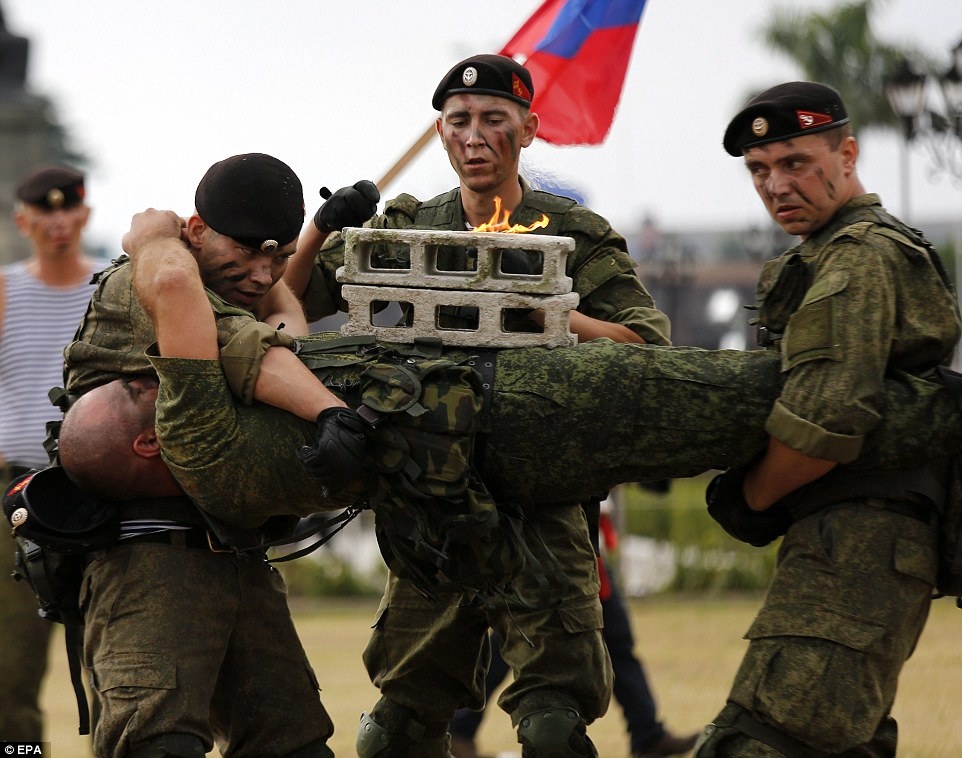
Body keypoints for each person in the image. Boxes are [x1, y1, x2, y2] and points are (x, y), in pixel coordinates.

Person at [285, 52, 673, 758]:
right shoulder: (405, 228)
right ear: (440, 134)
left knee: (553, 728)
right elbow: (285, 305)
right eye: (459, 121)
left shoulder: (573, 235)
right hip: (430, 501)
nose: (475, 136)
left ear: (528, 129)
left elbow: (646, 346)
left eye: (495, 120)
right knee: (394, 729)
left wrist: (548, 314)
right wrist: (319, 229)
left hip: (542, 500)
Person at [54, 153, 378, 758]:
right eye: (247, 254)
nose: (260, 274)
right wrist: (331, 413)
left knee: (293, 745)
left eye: (274, 259)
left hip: (236, 556)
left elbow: (289, 334)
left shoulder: (226, 284)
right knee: (158, 744)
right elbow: (245, 344)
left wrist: (307, 244)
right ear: (196, 231)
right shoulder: (145, 283)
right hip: (147, 562)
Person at [693, 82, 962, 756]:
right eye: (759, 170)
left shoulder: (856, 258)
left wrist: (749, 498)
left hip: (862, 541)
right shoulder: (829, 252)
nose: (776, 185)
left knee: (758, 742)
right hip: (851, 541)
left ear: (848, 154)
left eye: (795, 163)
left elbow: (824, 427)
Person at [449, 500, 699, 758]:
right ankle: (459, 727)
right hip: (550, 549)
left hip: (584, 549)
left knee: (618, 644)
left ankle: (648, 734)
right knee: (514, 641)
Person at [0, 164, 97, 741]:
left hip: (99, 488)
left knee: (120, 660)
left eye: (68, 210)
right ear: (23, 220)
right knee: (9, 668)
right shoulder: (6, 291)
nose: (58, 222)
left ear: (83, 215)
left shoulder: (110, 285)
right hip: (13, 493)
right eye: (45, 211)